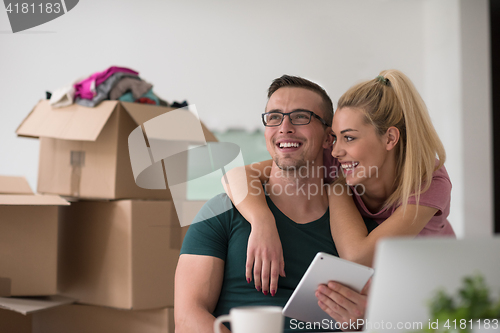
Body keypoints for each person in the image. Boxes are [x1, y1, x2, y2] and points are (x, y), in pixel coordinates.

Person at [222, 69, 456, 300]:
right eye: (335, 137)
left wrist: (336, 187)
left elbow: (357, 258)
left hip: (434, 279)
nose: (336, 150)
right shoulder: (338, 159)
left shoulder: (427, 179)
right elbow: (235, 176)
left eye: (350, 138)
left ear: (390, 138)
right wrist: (262, 222)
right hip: (380, 284)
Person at [174, 75, 378, 333]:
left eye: (301, 116)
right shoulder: (221, 213)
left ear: (329, 138)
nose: (285, 127)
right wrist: (262, 221)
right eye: (274, 117)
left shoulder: (360, 232)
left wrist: (365, 322)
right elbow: (187, 317)